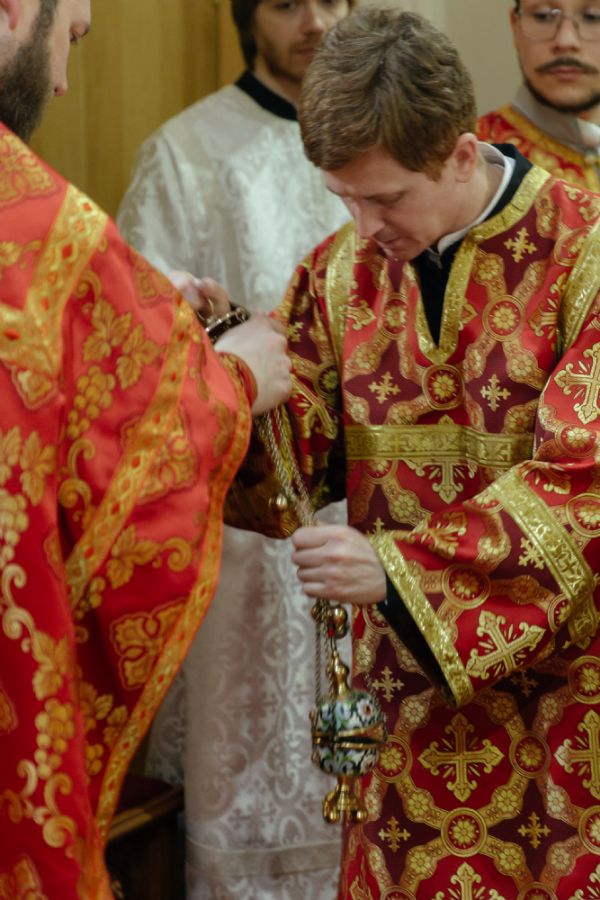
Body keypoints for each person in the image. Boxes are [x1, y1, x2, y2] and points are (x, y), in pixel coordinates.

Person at [225, 6, 600, 897]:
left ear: (462, 155)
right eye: (343, 198)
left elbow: (586, 485)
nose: (363, 226)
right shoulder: (338, 272)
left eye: (385, 199)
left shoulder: (583, 257)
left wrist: (398, 572)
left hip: (566, 720)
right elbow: (288, 469)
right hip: (402, 717)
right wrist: (225, 369)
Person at [0, 0, 291, 896]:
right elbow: (114, 464)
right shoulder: (32, 213)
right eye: (70, 39)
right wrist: (234, 376)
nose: (60, 81)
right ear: (13, 13)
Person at [117, 2, 353, 897]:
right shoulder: (185, 152)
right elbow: (140, 361)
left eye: (334, 0)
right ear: (248, 16)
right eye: (288, 3)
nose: (317, 23)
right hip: (245, 530)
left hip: (361, 520)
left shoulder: (379, 141)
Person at [477, 0, 600, 189]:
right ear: (515, 27)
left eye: (593, 17)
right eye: (543, 16)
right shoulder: (469, 160)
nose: (565, 41)